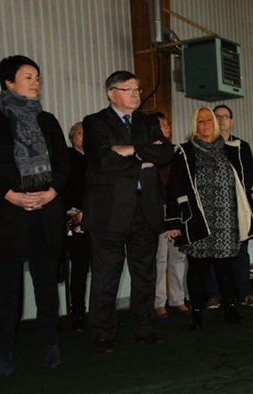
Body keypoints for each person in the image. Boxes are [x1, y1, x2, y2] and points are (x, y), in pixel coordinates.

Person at [0, 55, 70, 375]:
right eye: (28, 77)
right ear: (8, 82)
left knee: (46, 285)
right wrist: (9, 194)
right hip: (5, 214)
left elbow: (64, 164)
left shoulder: (48, 120)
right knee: (7, 287)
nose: (36, 83)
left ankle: (50, 344)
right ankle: (3, 351)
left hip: (44, 212)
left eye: (37, 77)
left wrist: (51, 192)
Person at [83, 71, 174, 354]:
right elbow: (103, 159)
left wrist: (130, 149)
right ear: (111, 93)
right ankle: (102, 333)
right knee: (106, 277)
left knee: (145, 275)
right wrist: (143, 158)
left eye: (138, 89)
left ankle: (144, 329)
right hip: (110, 212)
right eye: (128, 89)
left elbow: (166, 154)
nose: (136, 94)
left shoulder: (148, 122)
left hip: (144, 209)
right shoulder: (95, 122)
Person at [164, 107, 253, 330]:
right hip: (198, 220)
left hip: (226, 219)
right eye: (200, 121)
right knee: (197, 268)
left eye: (209, 120)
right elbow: (174, 186)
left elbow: (242, 184)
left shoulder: (231, 149)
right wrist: (174, 221)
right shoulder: (185, 152)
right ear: (194, 125)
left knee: (225, 267)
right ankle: (196, 313)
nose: (205, 124)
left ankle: (230, 309)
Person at [204, 104, 253, 308]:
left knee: (241, 252)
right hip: (215, 209)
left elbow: (250, 173)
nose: (221, 120)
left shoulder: (241, 146)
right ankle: (215, 295)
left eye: (225, 116)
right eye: (217, 117)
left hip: (239, 208)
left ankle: (245, 293)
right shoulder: (205, 146)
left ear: (232, 121)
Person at [152, 112, 189, 318]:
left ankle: (178, 299)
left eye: (166, 123)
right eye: (160, 124)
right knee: (159, 257)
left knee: (178, 255)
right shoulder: (148, 152)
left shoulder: (177, 152)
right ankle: (158, 302)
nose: (165, 127)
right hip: (156, 208)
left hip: (175, 209)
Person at [64, 122, 91, 331]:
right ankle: (78, 313)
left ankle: (100, 311)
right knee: (80, 266)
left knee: (101, 267)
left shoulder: (97, 158)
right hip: (75, 216)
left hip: (98, 217)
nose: (85, 136)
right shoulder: (67, 157)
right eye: (81, 132)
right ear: (72, 137)